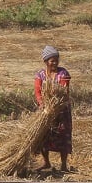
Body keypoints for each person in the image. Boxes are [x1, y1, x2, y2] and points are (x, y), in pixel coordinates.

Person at [34, 45, 72, 173]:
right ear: (46, 62)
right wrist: (42, 104)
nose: (55, 63)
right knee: (43, 136)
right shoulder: (40, 75)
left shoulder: (63, 74)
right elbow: (38, 92)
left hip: (61, 111)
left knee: (62, 135)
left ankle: (63, 165)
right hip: (46, 111)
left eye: (57, 59)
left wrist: (55, 107)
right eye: (52, 60)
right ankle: (46, 162)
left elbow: (64, 91)